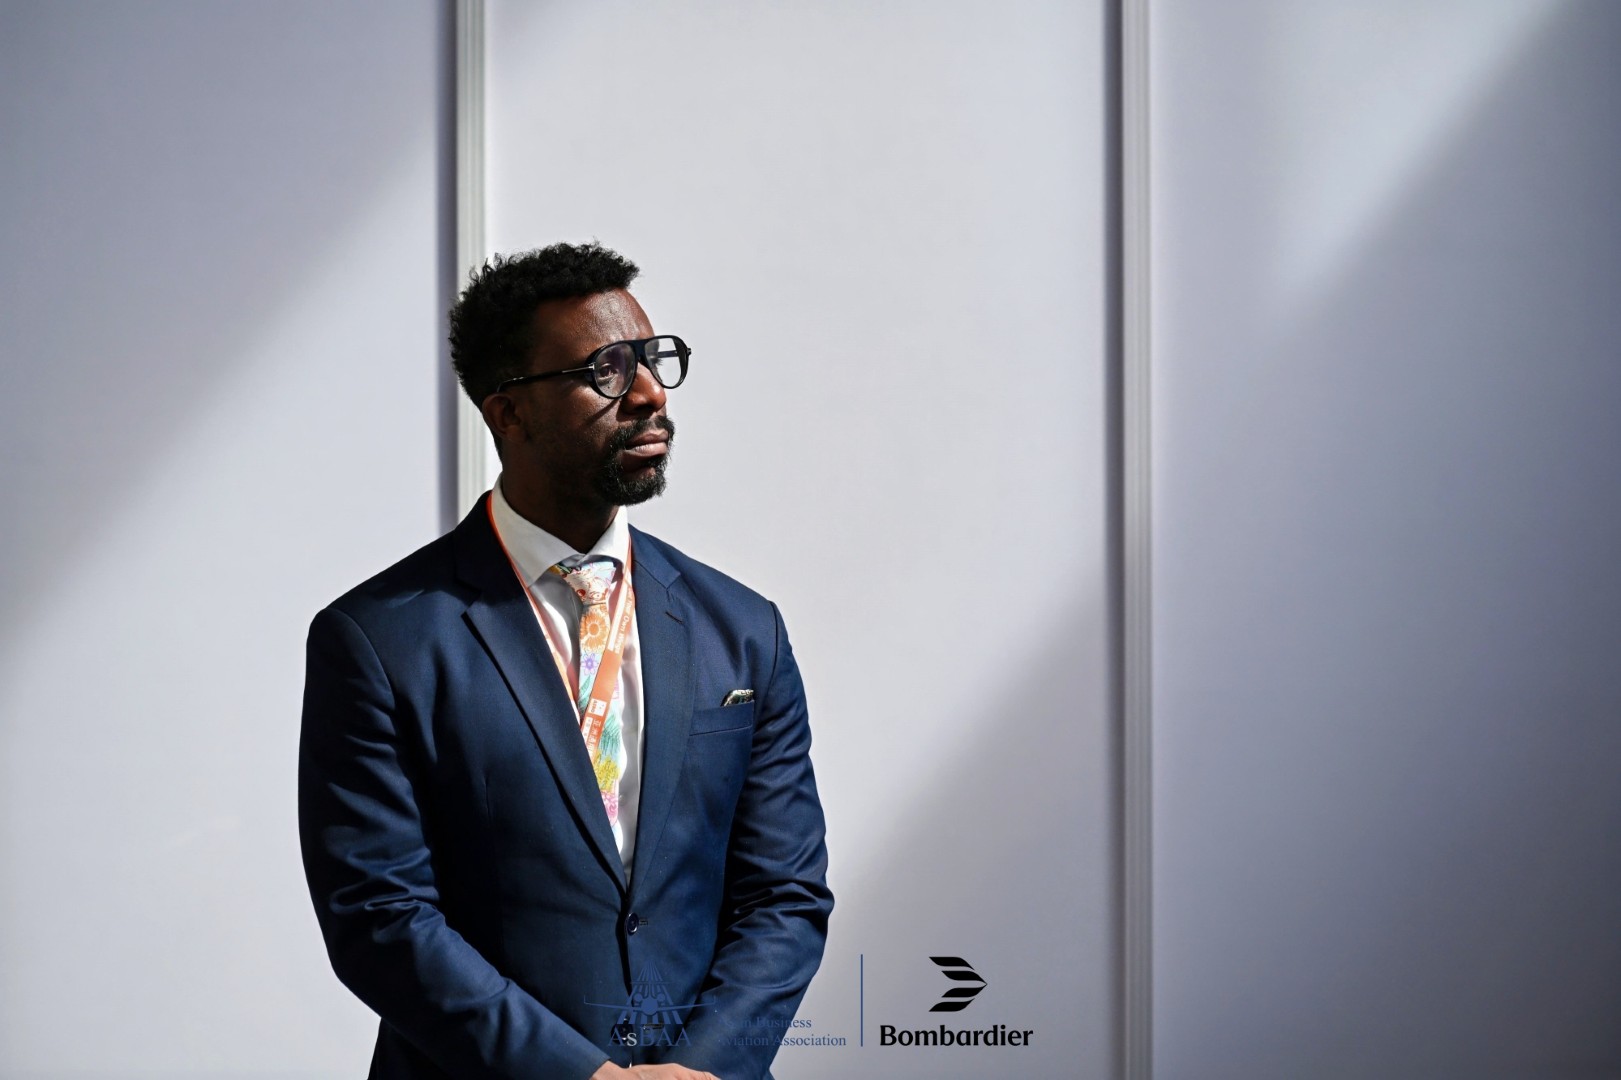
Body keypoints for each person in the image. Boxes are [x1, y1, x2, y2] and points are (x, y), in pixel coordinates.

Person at [298, 241, 832, 1080]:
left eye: (654, 359)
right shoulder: (378, 640)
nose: (649, 392)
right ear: (509, 413)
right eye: (607, 370)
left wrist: (703, 1069)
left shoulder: (741, 629)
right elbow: (380, 915)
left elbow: (783, 894)